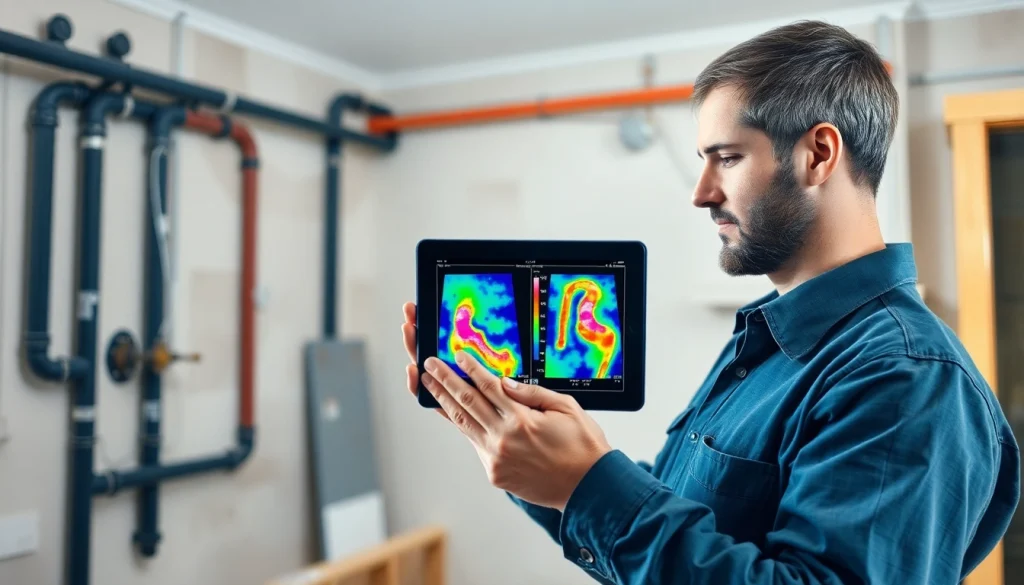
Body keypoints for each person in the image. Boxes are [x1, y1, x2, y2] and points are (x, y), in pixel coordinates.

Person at [399, 20, 1020, 585]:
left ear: (819, 155)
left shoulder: (903, 376)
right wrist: (523, 446)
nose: (701, 194)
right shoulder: (770, 346)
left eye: (727, 158)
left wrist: (588, 485)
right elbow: (676, 529)